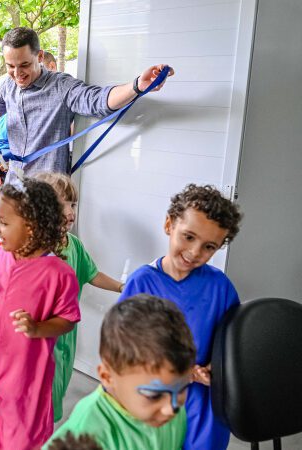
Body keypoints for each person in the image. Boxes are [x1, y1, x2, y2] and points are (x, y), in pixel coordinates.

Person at [0, 27, 174, 180]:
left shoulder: (61, 86)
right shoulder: (7, 86)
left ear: (39, 56)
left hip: (49, 191)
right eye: (11, 66)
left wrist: (137, 85)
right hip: (15, 186)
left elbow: (98, 100)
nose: (17, 73)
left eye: (24, 65)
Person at [119, 184, 243, 450]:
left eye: (209, 246)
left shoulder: (220, 287)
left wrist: (215, 369)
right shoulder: (142, 283)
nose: (195, 252)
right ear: (168, 225)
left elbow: (234, 347)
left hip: (204, 410)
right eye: (188, 237)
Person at [0, 177, 80, 449]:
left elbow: (67, 320)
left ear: (32, 226)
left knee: (18, 434)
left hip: (23, 373)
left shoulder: (58, 274)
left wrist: (38, 328)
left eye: (4, 222)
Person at [46, 294, 196, 449]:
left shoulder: (172, 408)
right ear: (107, 377)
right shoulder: (84, 435)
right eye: (154, 395)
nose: (171, 409)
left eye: (182, 389)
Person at [33, 172, 124, 422]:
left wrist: (121, 287)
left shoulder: (74, 245)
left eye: (72, 204)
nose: (70, 211)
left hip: (66, 336)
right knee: (38, 400)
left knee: (56, 391)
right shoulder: (33, 248)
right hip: (38, 336)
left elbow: (92, 274)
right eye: (61, 204)